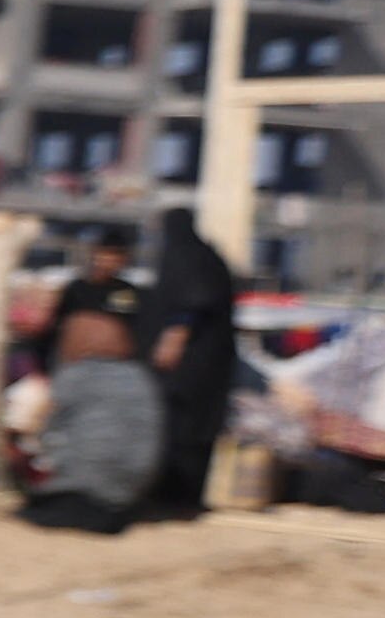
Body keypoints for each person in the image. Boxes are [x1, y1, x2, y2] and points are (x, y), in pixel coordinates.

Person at [18, 268, 159, 536]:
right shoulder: (141, 378)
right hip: (131, 494)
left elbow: (41, 428)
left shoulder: (78, 375)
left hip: (83, 489)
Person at [135, 208, 242, 522]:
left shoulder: (186, 257)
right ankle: (184, 496)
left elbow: (193, 301)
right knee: (194, 430)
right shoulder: (208, 256)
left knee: (180, 427)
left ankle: (176, 496)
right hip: (210, 365)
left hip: (191, 365)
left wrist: (173, 339)